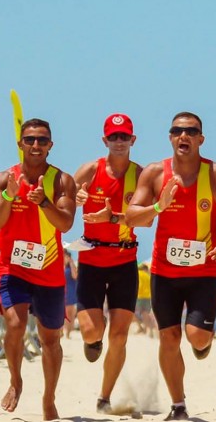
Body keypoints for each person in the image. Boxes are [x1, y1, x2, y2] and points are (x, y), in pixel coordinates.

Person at [125, 111, 216, 421]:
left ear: (201, 139)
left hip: (203, 271)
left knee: (196, 336)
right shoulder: (154, 173)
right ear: (170, 137)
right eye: (178, 131)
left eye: (191, 131)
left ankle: (203, 343)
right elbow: (131, 216)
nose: (184, 136)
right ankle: (178, 406)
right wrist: (158, 207)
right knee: (168, 337)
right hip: (164, 272)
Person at [0, 118, 77, 421]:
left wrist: (44, 203)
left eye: (42, 140)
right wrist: (12, 197)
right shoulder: (4, 179)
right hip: (13, 267)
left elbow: (65, 223)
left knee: (50, 339)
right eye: (30, 140)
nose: (36, 145)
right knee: (14, 323)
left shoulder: (63, 181)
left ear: (50, 145)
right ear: (20, 144)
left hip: (49, 270)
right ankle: (16, 380)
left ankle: (49, 399)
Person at [72, 113, 143, 414]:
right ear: (104, 140)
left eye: (123, 136)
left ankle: (104, 396)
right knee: (91, 331)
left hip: (125, 260)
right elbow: (65, 201)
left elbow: (148, 218)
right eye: (113, 137)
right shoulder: (90, 170)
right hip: (91, 257)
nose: (118, 142)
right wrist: (75, 196)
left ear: (132, 140)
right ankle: (92, 341)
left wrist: (114, 217)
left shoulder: (140, 175)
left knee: (120, 334)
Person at [63, 250, 78, 339]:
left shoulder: (71, 266)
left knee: (70, 314)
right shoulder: (60, 266)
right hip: (61, 291)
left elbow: (75, 276)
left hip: (70, 291)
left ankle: (68, 333)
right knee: (62, 313)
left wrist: (71, 262)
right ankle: (63, 331)